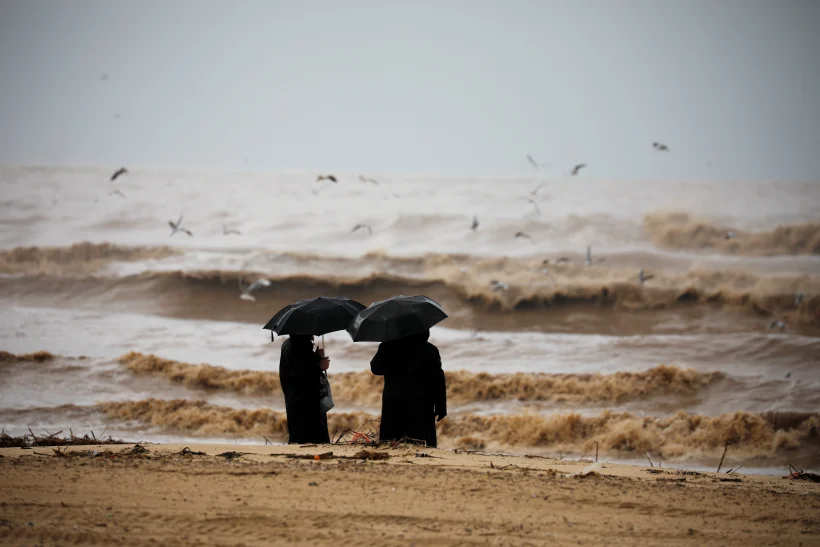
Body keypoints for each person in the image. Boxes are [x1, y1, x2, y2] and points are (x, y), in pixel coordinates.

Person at [370, 330, 447, 447]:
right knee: (420, 444)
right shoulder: (430, 350)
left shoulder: (388, 346)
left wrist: (386, 345)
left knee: (390, 443)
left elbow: (376, 369)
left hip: (393, 402)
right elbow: (437, 380)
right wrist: (441, 406)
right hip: (421, 404)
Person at [279, 334, 331, 444]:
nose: (314, 333)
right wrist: (319, 365)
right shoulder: (301, 346)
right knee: (311, 439)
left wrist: (316, 358)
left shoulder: (290, 343)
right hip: (307, 405)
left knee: (298, 438)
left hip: (295, 403)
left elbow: (299, 366)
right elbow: (302, 374)